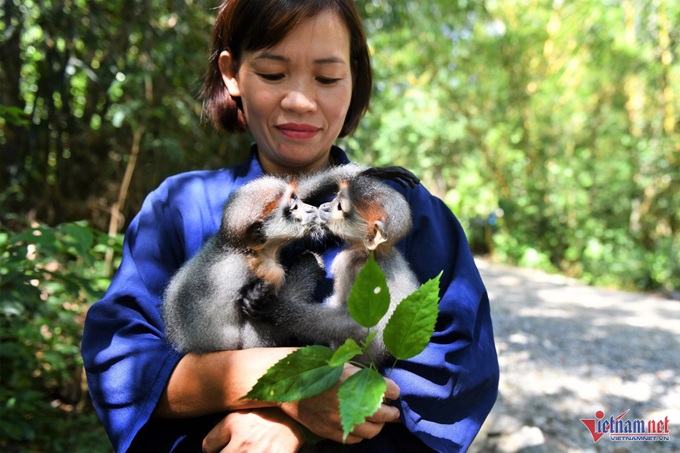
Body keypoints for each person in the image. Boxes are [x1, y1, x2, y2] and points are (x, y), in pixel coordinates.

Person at [81, 0, 499, 452]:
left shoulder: (406, 211)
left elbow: (456, 369)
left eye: (327, 77)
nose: (300, 100)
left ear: (355, 77)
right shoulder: (178, 208)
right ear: (231, 73)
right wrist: (281, 385)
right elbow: (122, 367)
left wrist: (305, 425)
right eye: (273, 74)